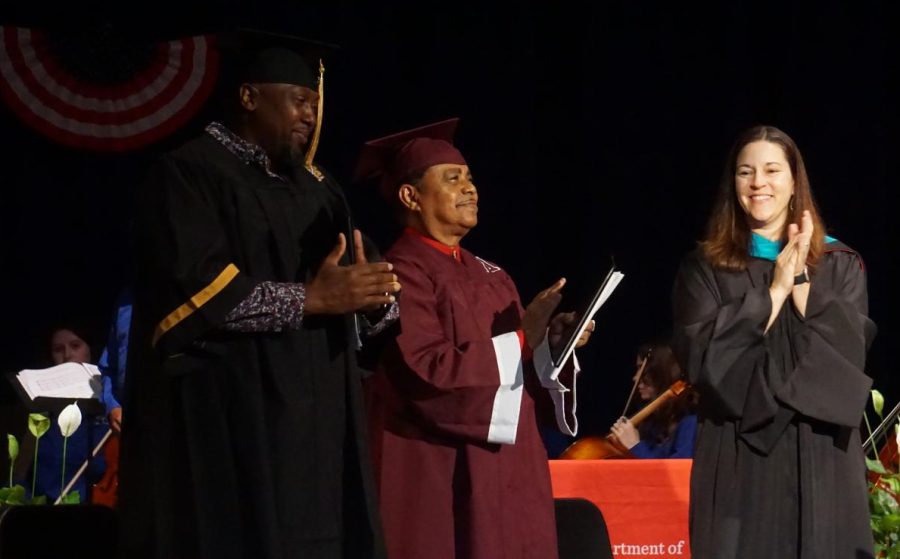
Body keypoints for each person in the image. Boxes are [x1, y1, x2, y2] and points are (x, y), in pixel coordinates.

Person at [118, 36, 400, 559]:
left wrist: (375, 299)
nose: (310, 114)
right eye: (298, 99)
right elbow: (189, 289)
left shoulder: (319, 188)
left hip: (319, 427)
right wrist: (309, 300)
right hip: (233, 419)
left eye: (313, 104)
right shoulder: (189, 173)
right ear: (249, 97)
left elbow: (356, 295)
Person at [356, 119, 594, 559]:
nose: (471, 189)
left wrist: (552, 347)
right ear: (410, 196)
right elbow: (424, 372)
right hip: (438, 469)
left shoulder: (493, 275)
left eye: (470, 178)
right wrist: (525, 341)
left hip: (508, 468)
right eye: (453, 179)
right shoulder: (397, 275)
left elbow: (519, 372)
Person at [671, 125, 875, 558]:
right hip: (737, 456)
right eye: (745, 172)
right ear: (734, 185)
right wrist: (773, 293)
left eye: (771, 170)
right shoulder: (704, 269)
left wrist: (800, 282)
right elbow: (705, 365)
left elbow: (846, 366)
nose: (758, 182)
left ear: (793, 181)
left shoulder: (839, 265)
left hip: (824, 456)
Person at [30, 324, 107, 501]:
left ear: (90, 349)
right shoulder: (42, 412)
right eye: (58, 349)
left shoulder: (109, 401)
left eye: (75, 346)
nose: (67, 356)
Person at [609, 342, 697, 458]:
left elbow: (676, 473)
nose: (635, 377)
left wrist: (635, 446)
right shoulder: (651, 422)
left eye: (642, 368)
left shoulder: (690, 420)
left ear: (661, 371)